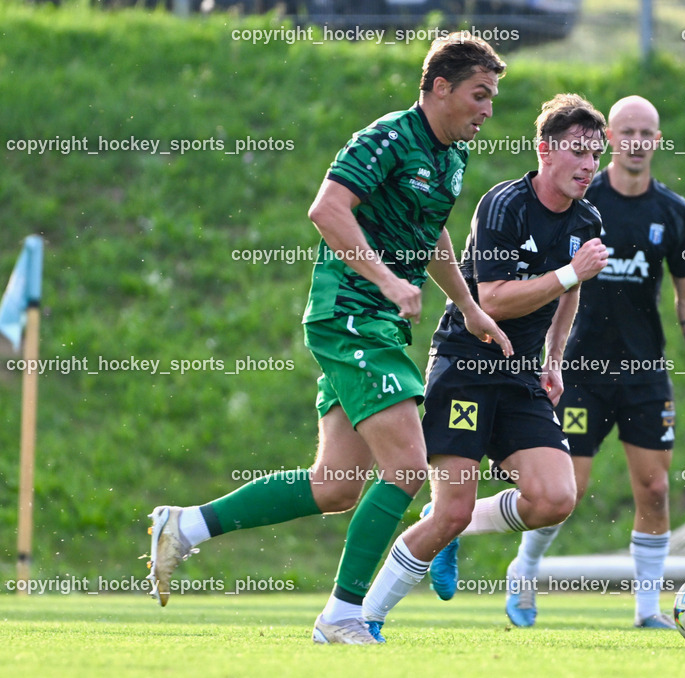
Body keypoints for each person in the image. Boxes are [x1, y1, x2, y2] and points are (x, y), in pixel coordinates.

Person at [144, 33, 511, 646]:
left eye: (493, 98)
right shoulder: (389, 136)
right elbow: (327, 209)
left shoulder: (451, 155)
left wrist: (467, 306)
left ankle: (186, 526)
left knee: (337, 484)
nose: (488, 110)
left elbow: (434, 232)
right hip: (350, 314)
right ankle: (342, 615)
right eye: (480, 94)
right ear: (440, 88)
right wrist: (390, 281)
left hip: (379, 321)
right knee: (406, 470)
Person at [360, 94, 610, 640]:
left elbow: (570, 294)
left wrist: (554, 359)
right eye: (579, 151)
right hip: (467, 366)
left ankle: (456, 527)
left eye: (597, 154)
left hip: (521, 374)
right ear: (544, 150)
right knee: (448, 510)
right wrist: (570, 273)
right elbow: (492, 299)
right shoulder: (504, 206)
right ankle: (363, 618)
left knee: (555, 499)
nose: (590, 165)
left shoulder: (588, 217)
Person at [497, 95, 685, 629]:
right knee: (571, 489)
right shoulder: (581, 200)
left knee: (653, 487)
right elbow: (546, 278)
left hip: (644, 372)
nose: (636, 141)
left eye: (646, 132)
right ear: (610, 138)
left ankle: (648, 610)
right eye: (626, 130)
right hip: (580, 371)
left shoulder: (673, 214)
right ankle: (524, 570)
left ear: (657, 140)